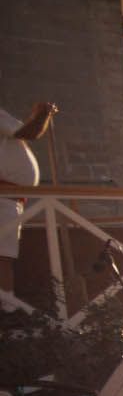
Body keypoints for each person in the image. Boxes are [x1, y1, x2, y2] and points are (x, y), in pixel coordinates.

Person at [0, 101, 56, 299]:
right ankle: (7, 308)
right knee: (3, 257)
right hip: (4, 199)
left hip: (9, 198)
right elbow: (28, 133)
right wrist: (42, 114)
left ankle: (7, 306)